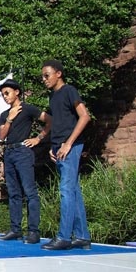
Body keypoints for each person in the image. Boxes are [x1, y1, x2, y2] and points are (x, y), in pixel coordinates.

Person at [40, 59, 92, 251]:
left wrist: (68, 144)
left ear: (58, 74)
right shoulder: (53, 97)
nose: (44, 79)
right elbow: (58, 124)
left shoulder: (69, 90)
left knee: (66, 190)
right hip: (59, 148)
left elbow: (84, 116)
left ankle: (64, 237)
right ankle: (82, 236)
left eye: (47, 75)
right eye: (43, 76)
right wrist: (52, 147)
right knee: (73, 190)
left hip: (70, 146)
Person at [0, 79, 51, 244]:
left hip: (23, 151)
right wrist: (10, 119)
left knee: (30, 191)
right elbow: (2, 136)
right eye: (3, 94)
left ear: (17, 92)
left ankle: (33, 231)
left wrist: (38, 138)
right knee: (13, 192)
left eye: (7, 93)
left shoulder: (28, 109)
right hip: (9, 151)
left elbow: (50, 120)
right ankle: (15, 229)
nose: (5, 96)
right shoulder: (4, 115)